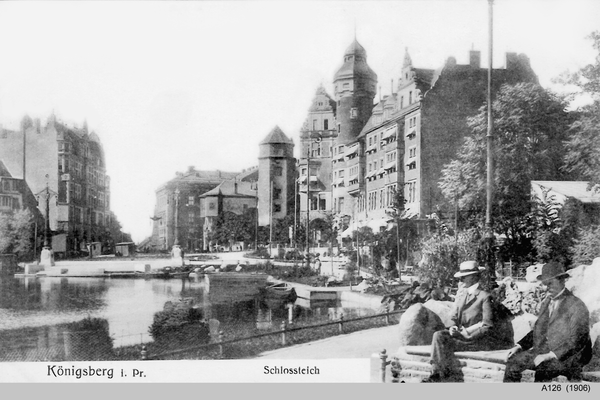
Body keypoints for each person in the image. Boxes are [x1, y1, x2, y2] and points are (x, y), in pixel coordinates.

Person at [503, 262, 592, 382]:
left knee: (543, 370)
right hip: (544, 352)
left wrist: (550, 355)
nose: (545, 287)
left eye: (550, 283)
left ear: (562, 281)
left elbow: (577, 340)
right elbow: (538, 329)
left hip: (568, 356)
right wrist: (519, 346)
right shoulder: (547, 303)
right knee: (512, 364)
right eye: (544, 284)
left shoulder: (576, 305)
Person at [428, 261, 514, 382]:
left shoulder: (484, 297)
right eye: (461, 277)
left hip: (480, 340)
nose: (461, 280)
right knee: (439, 335)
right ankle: (437, 374)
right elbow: (453, 318)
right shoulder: (463, 296)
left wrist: (467, 336)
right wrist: (452, 327)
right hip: (465, 337)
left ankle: (439, 377)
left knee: (442, 340)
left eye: (464, 277)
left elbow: (487, 326)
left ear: (474, 277)